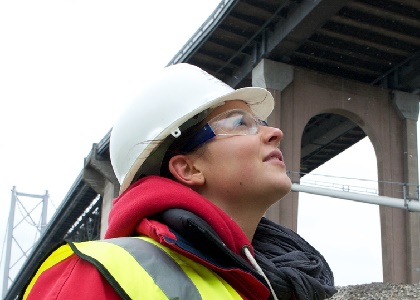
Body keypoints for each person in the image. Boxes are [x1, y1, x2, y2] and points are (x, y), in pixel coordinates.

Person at [22, 63, 336, 300]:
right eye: (241, 123)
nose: (275, 133)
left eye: (261, 123)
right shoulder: (95, 273)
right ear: (187, 169)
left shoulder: (271, 281)